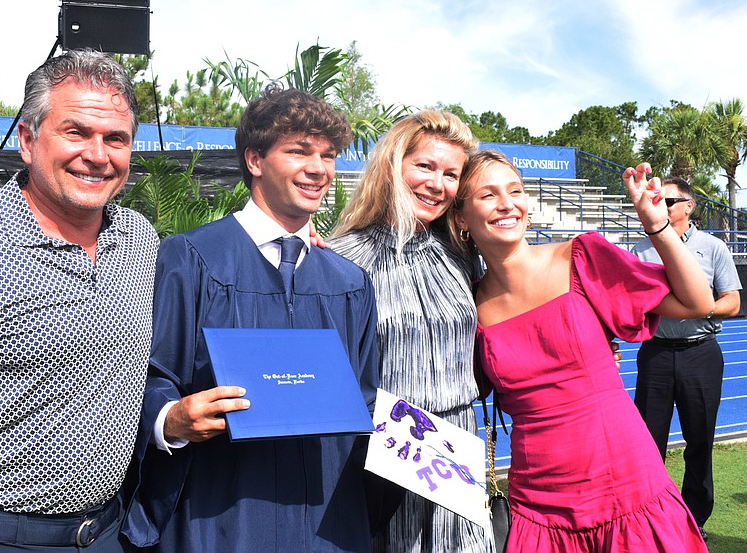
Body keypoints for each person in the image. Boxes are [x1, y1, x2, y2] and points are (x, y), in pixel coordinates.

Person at [0, 49, 159, 552]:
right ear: (27, 141)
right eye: (76, 132)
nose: (98, 155)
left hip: (107, 533)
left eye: (116, 139)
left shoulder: (137, 240)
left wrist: (295, 242)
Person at [121, 83, 379, 552]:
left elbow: (364, 398)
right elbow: (153, 374)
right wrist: (170, 419)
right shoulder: (192, 258)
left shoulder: (350, 282)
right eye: (299, 151)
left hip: (328, 521)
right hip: (221, 512)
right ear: (255, 160)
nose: (318, 169)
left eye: (328, 155)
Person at [448, 149, 712, 551]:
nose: (507, 203)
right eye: (488, 195)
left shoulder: (581, 257)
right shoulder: (467, 307)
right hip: (538, 502)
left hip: (625, 483)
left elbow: (697, 303)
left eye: (515, 190)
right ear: (461, 219)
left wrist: (657, 226)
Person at [328, 110, 493, 552]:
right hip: (382, 458)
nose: (437, 183)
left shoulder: (462, 253)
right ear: (392, 166)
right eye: (425, 166)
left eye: (451, 174)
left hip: (458, 449)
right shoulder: (339, 258)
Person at [632, 176, 741, 541]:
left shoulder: (713, 248)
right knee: (648, 443)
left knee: (699, 440)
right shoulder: (640, 250)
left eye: (667, 200)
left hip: (701, 355)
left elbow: (733, 301)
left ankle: (695, 519)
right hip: (656, 354)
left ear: (688, 206)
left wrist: (695, 309)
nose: (659, 205)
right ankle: (651, 518)